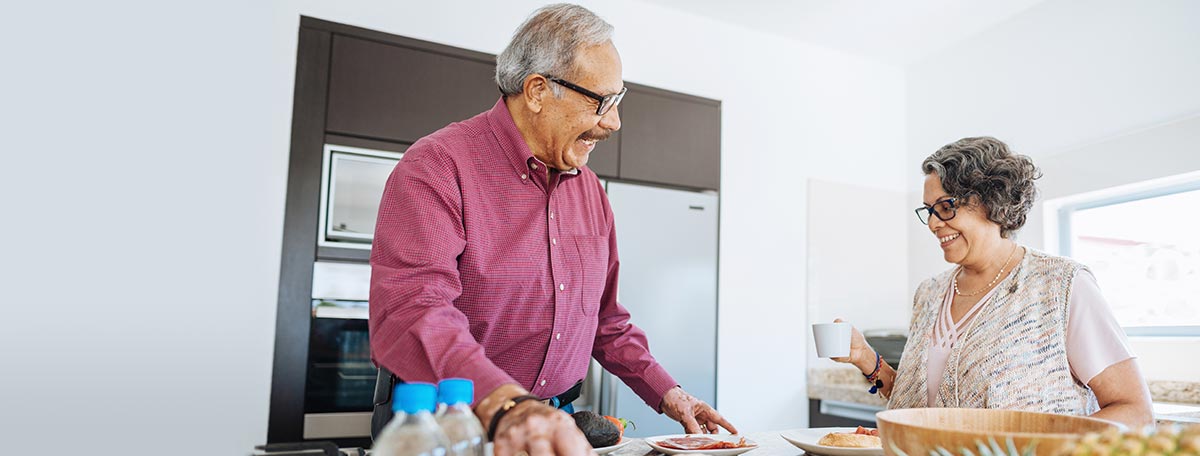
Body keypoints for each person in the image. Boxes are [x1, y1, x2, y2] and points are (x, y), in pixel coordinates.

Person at [368, 4, 736, 455]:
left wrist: (668, 392)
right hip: (447, 427)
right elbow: (411, 310)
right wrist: (510, 406)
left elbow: (607, 321)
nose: (614, 122)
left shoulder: (591, 193)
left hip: (555, 428)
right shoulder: (438, 166)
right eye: (601, 102)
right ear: (538, 90)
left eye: (618, 101)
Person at [833, 136, 1152, 429]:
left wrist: (1042, 448)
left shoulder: (1061, 286)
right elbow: (921, 406)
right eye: (929, 210)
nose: (932, 223)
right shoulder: (929, 293)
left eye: (946, 207)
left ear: (992, 200)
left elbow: (1134, 412)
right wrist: (866, 358)